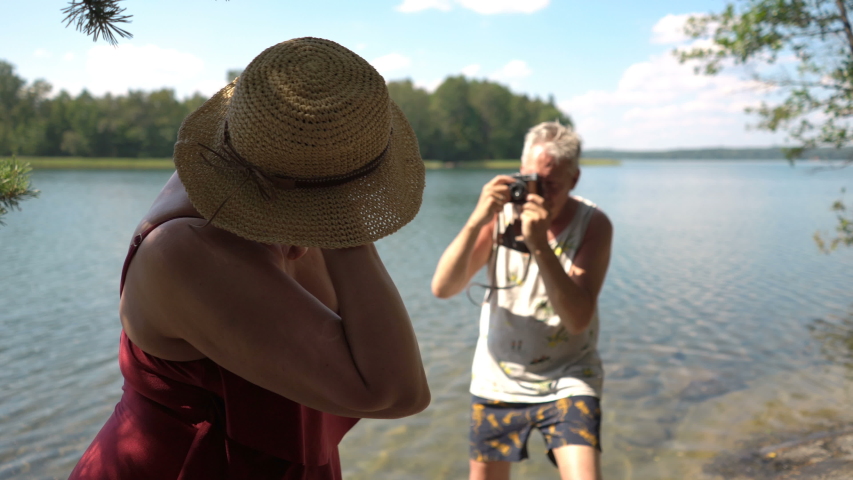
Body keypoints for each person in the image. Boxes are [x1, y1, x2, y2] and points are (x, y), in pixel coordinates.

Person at [69, 37, 430, 480]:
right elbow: (397, 393)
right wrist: (343, 223)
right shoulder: (187, 248)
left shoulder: (266, 189)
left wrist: (326, 207)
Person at [431, 121, 612, 480]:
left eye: (550, 185)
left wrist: (540, 244)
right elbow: (444, 287)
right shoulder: (500, 216)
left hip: (569, 375)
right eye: (528, 181)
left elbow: (577, 319)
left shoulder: (593, 224)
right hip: (497, 378)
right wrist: (476, 219)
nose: (535, 194)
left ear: (574, 180)